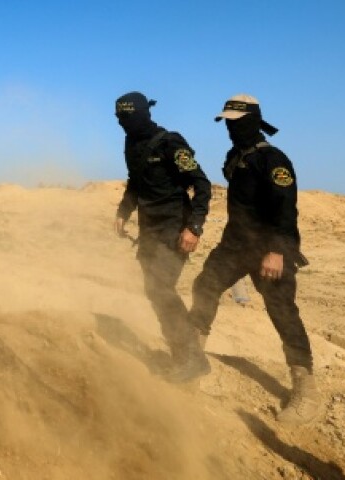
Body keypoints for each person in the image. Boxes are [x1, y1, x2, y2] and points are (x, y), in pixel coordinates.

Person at [187, 94, 323, 425]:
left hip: (268, 249)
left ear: (253, 121)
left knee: (282, 311)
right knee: (205, 286)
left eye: (237, 121)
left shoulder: (273, 159)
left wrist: (277, 250)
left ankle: (307, 390)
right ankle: (189, 359)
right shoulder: (237, 156)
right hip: (234, 246)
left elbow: (285, 207)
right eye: (228, 122)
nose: (232, 128)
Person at [113, 92, 212, 383]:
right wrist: (123, 212)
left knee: (161, 288)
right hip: (149, 230)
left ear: (143, 113)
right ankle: (182, 355)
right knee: (153, 290)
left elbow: (202, 185)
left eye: (128, 117)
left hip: (175, 228)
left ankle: (192, 359)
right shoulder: (132, 143)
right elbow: (135, 181)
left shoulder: (170, 143)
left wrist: (193, 228)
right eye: (119, 119)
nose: (124, 123)